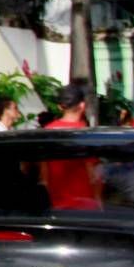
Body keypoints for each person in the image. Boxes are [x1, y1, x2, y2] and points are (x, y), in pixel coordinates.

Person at [40, 82, 99, 210]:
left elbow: (44, 175)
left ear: (61, 106)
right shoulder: (85, 134)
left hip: (57, 207)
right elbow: (93, 175)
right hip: (85, 206)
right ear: (82, 106)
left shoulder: (47, 132)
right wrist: (99, 203)